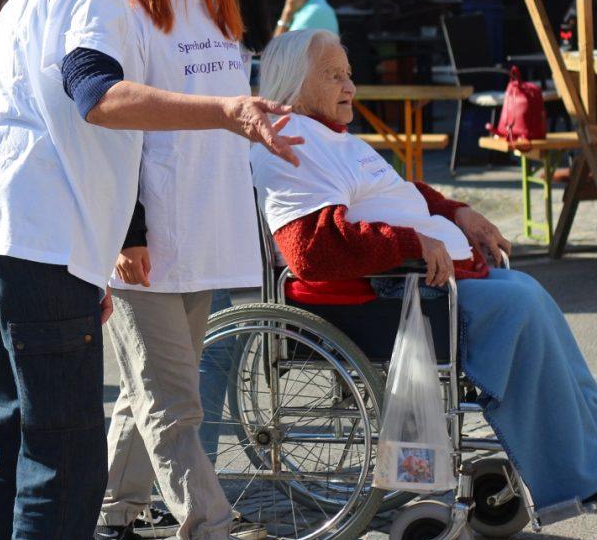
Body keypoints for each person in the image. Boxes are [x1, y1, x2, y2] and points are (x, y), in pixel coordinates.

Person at [0, 0, 302, 540]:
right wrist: (226, 110)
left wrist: (92, 252)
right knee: (64, 461)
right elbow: (96, 93)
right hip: (39, 238)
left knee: (13, 439)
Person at [250, 29, 597, 515]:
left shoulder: (332, 136)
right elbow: (311, 250)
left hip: (422, 281)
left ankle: (586, 455)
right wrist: (411, 242)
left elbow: (401, 194)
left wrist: (457, 213)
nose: (350, 87)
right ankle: (572, 478)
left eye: (348, 74)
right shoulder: (290, 141)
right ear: (292, 83)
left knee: (528, 291)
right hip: (380, 295)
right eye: (333, 76)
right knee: (518, 306)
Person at [84, 0, 268, 540]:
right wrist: (128, 230)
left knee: (148, 394)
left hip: (204, 224)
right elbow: (111, 117)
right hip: (146, 234)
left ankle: (109, 531)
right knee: (173, 401)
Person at [193, 0, 269, 466]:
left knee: (225, 338)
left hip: (231, 183)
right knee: (201, 347)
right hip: (185, 191)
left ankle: (194, 478)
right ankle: (190, 483)